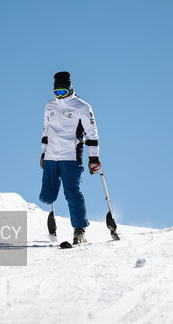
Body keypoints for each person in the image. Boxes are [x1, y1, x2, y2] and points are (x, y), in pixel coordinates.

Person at [39, 72, 101, 244]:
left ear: (70, 89)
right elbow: (45, 131)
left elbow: (92, 133)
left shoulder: (82, 106)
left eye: (63, 92)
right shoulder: (49, 105)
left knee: (71, 192)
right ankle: (53, 224)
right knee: (47, 196)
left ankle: (79, 229)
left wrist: (93, 158)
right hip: (51, 155)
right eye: (56, 92)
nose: (59, 96)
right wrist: (43, 153)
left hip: (70, 155)